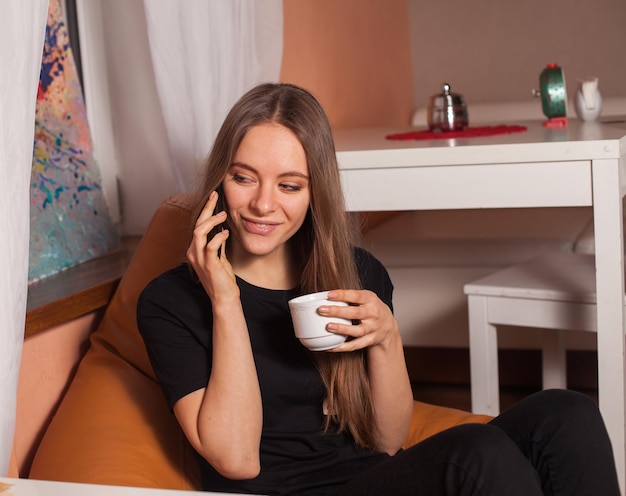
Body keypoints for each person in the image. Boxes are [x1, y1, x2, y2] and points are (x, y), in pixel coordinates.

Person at [137, 82, 620, 496]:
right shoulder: (171, 302)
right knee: (474, 452)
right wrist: (225, 298)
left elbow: (388, 442)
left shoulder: (358, 275)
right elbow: (238, 460)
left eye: (289, 186)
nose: (263, 204)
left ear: (314, 193)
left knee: (567, 413)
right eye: (244, 178)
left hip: (372, 479)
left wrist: (386, 338)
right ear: (221, 176)